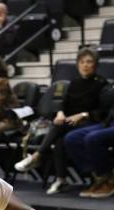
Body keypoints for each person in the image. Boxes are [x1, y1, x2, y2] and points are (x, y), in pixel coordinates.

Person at [15, 48, 107, 195]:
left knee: (60, 127)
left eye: (89, 62)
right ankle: (61, 180)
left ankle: (38, 156)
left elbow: (102, 111)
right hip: (70, 123)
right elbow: (64, 104)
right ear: (77, 65)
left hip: (91, 123)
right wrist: (60, 112)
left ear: (95, 64)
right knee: (59, 139)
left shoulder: (101, 84)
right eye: (82, 62)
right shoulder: (74, 83)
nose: (85, 65)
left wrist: (82, 115)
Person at [64, 89, 114, 198]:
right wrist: (85, 114)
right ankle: (97, 177)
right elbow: (104, 109)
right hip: (109, 122)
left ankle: (108, 178)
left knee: (92, 138)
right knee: (72, 138)